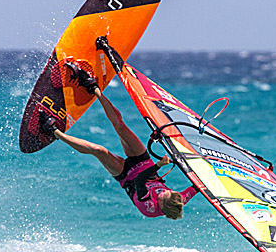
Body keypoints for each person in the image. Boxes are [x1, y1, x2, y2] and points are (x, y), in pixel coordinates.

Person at [39, 63, 197, 220]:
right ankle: (93, 88)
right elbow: (199, 186)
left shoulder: (149, 207)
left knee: (99, 151)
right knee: (120, 126)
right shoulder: (178, 199)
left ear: (161, 205)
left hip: (126, 176)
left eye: (163, 196)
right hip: (143, 162)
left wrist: (159, 165)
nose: (164, 192)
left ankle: (54, 132)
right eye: (168, 191)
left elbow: (140, 181)